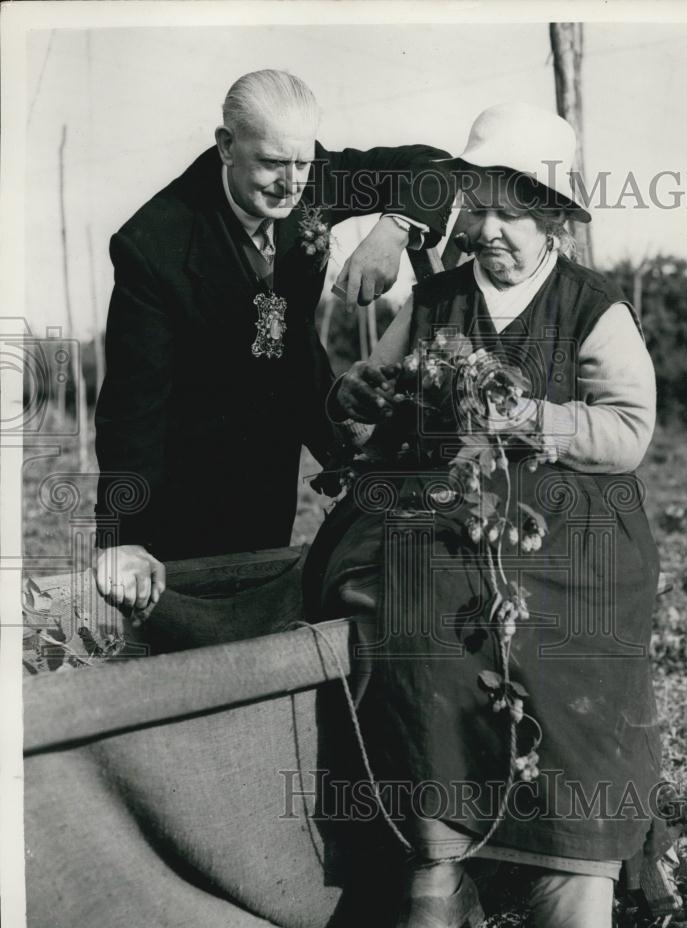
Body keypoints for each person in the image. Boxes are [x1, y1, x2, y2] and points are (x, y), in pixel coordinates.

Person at [304, 101, 673, 928]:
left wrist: (532, 417)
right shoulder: (434, 299)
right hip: (443, 510)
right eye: (483, 210)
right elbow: (379, 386)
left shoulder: (591, 307)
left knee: (562, 638)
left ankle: (567, 869)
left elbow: (627, 429)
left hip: (567, 517)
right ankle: (436, 871)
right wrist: (361, 400)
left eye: (517, 212)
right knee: (416, 609)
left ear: (550, 215)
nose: (494, 231)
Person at [93, 69, 451, 623]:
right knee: (194, 636)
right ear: (226, 146)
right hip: (186, 479)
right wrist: (123, 536)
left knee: (262, 615)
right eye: (271, 164)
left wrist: (394, 229)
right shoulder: (154, 245)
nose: (291, 184)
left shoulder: (311, 176)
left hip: (273, 457)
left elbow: (433, 168)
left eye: (302, 163)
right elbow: (131, 409)